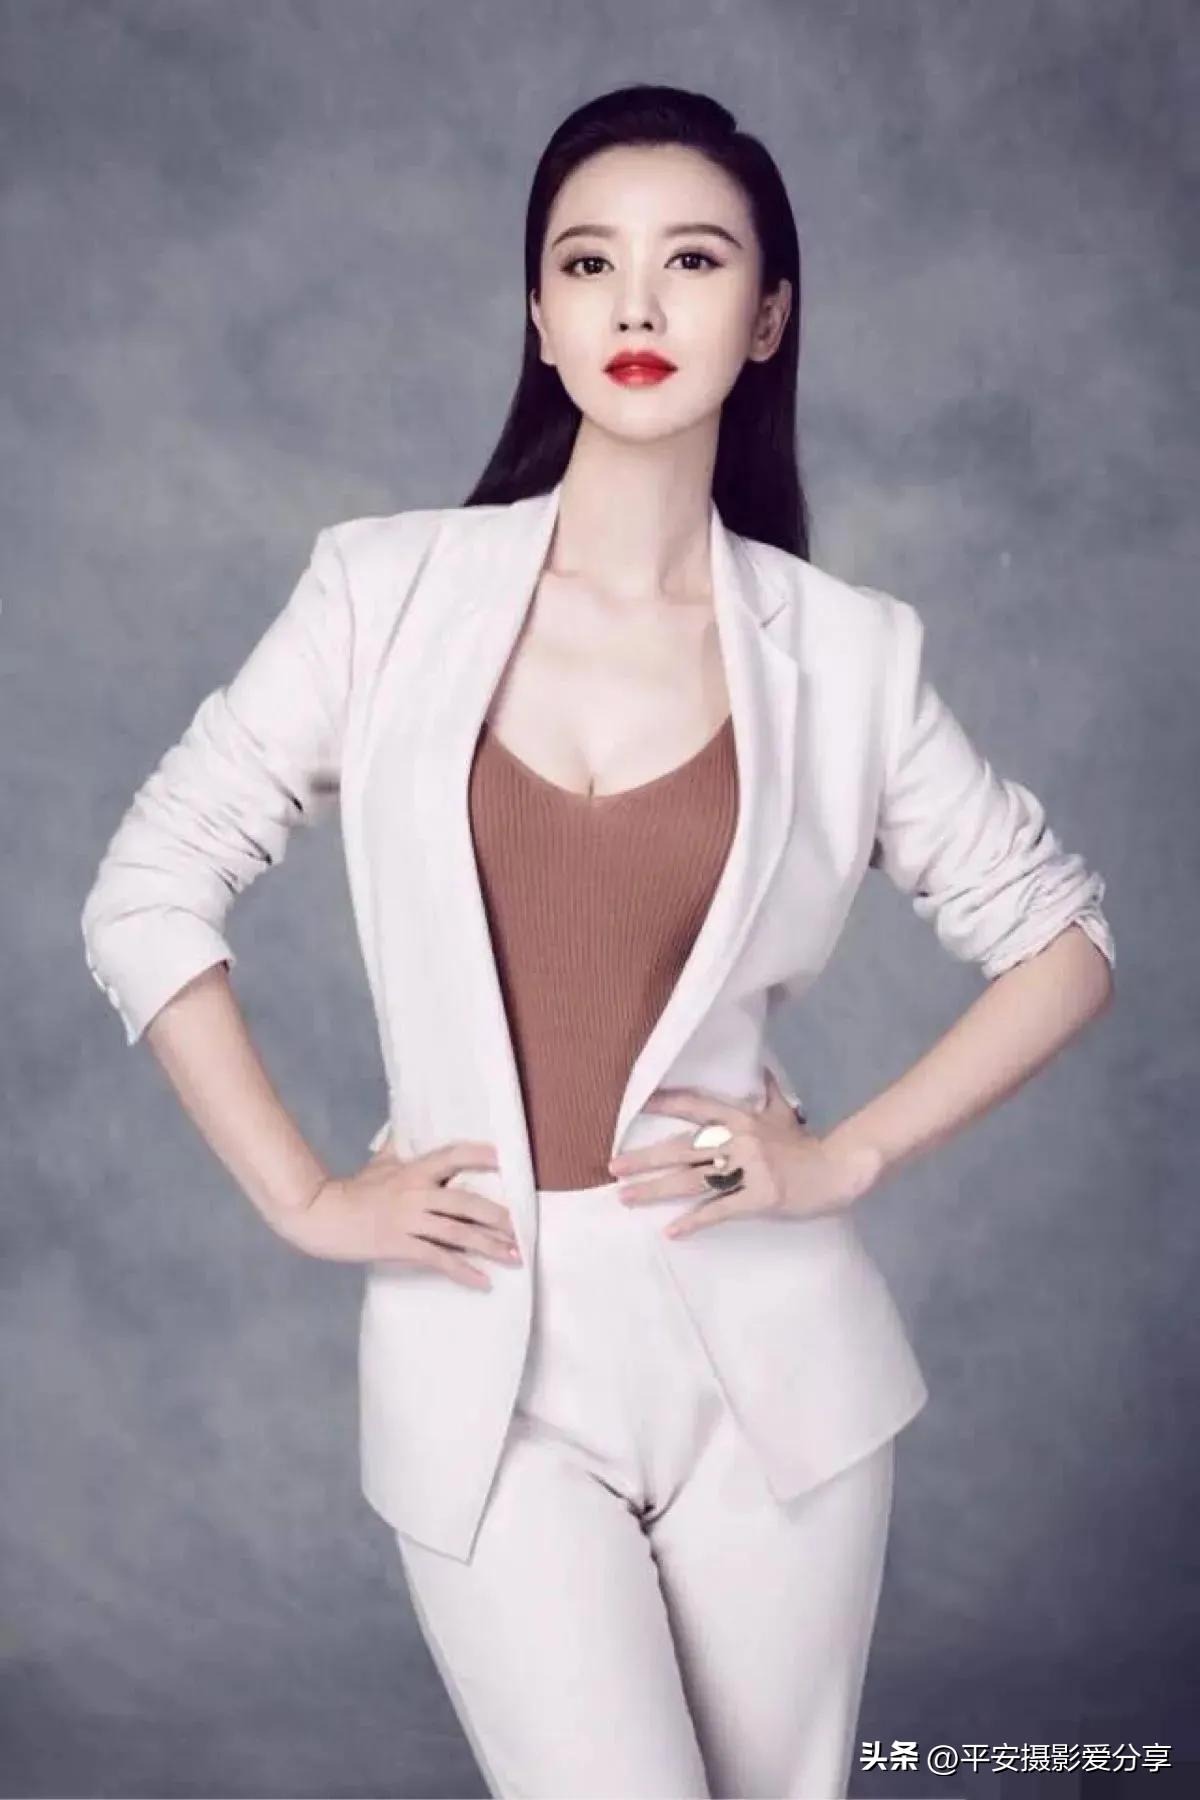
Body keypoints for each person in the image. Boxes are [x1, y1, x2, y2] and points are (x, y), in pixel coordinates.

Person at [81, 83, 1116, 1800]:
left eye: (693, 260)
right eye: (589, 263)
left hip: (768, 1366)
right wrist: (302, 1197)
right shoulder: (382, 592)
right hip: (481, 1355)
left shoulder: (847, 652)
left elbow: (1063, 941)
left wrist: (846, 1158)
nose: (638, 302)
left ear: (767, 315)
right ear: (541, 315)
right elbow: (148, 882)